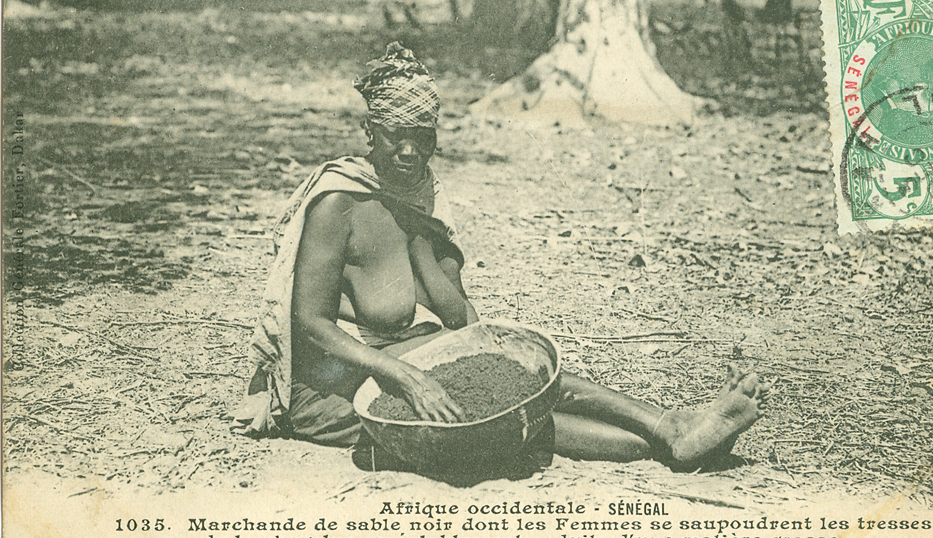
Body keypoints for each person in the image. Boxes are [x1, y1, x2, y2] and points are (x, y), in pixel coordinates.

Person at [232, 42, 769, 471]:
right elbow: (308, 323)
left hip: (399, 358)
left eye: (422, 137)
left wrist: (427, 247)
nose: (408, 152)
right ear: (371, 131)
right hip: (329, 393)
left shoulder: (417, 199)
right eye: (396, 136)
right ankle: (661, 445)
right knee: (483, 418)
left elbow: (456, 316)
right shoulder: (339, 202)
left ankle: (667, 425)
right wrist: (407, 376)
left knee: (518, 380)